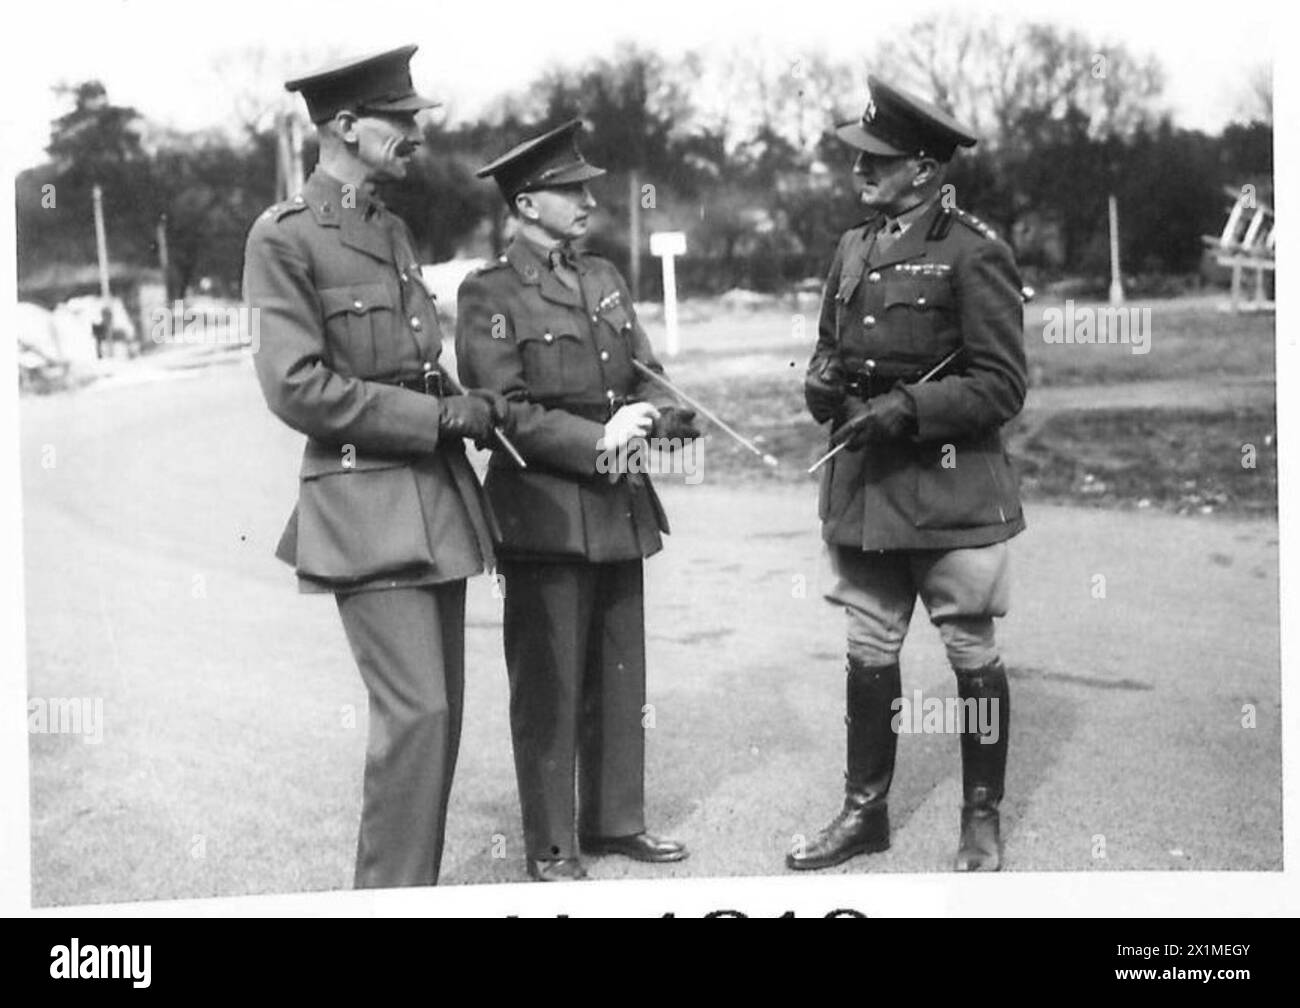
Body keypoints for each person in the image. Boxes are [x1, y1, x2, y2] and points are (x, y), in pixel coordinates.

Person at [242, 45, 512, 888]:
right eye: (400, 120)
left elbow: (413, 358)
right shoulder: (283, 237)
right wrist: (436, 417)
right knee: (418, 714)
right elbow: (297, 387)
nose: (416, 134)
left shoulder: (389, 230)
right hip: (363, 503)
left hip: (435, 498)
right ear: (346, 126)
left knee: (442, 721)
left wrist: (474, 398)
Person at [789, 76, 1028, 873]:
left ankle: (981, 819)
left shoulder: (973, 249)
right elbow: (829, 346)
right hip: (867, 485)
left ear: (925, 170)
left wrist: (910, 410)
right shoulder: (853, 247)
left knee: (968, 648)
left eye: (878, 160)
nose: (860, 170)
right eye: (860, 156)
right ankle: (865, 813)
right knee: (867, 645)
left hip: (950, 484)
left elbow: (1001, 383)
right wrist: (820, 384)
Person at [455, 119, 698, 882]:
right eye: (571, 191)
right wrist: (598, 438)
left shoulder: (603, 278)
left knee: (621, 673)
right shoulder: (489, 292)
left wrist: (666, 412)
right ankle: (554, 843)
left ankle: (616, 819)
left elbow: (641, 372)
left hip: (620, 506)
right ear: (527, 204)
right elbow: (506, 410)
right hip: (546, 512)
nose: (589, 201)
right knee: (550, 685)